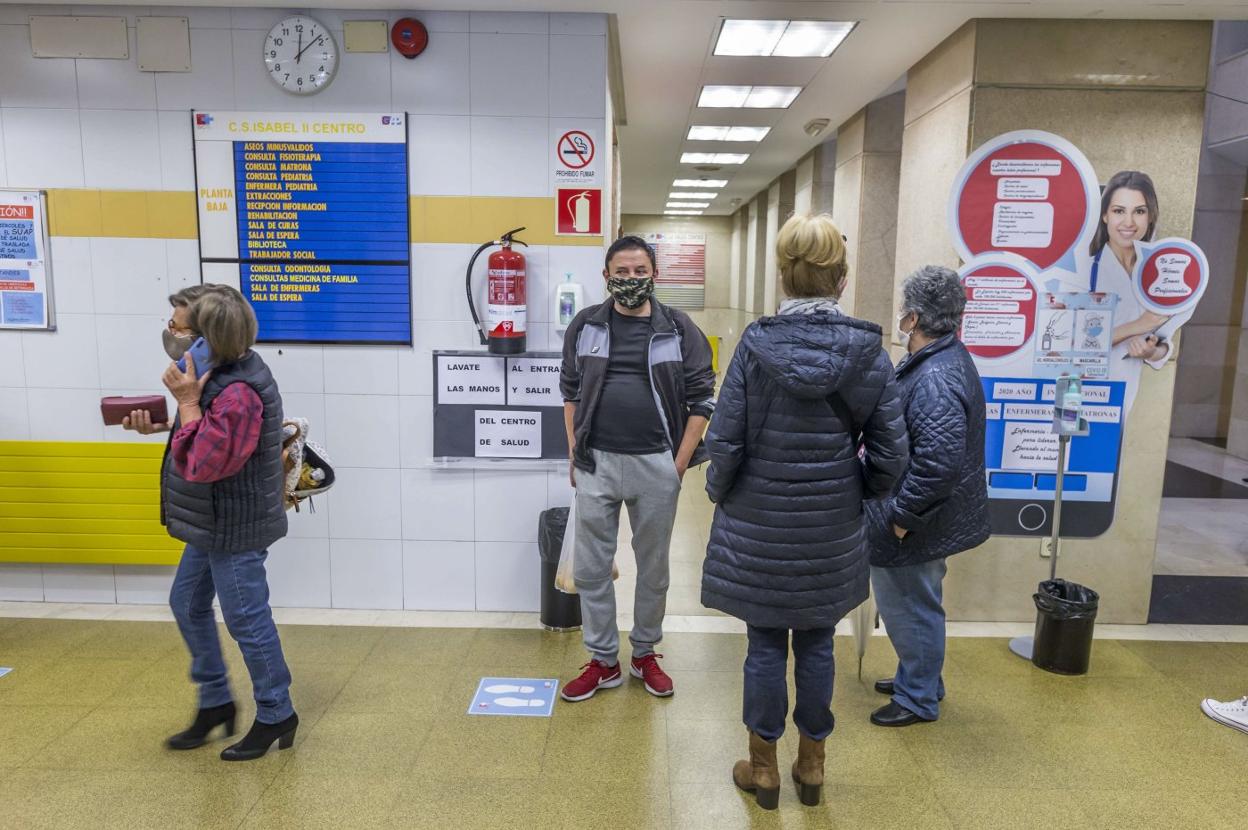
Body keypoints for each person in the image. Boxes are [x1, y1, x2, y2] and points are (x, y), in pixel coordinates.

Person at [701, 214, 907, 809]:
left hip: (757, 524)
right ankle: (812, 765)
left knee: (764, 644)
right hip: (831, 529)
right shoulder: (870, 354)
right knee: (819, 643)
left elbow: (728, 441)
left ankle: (762, 768)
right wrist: (855, 489)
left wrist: (722, 491)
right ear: (840, 279)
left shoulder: (754, 347)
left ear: (784, 278)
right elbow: (893, 456)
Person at [124, 284, 297, 761]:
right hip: (213, 520)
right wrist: (165, 422)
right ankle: (215, 702)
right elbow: (208, 437)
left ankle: (276, 711)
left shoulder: (238, 390)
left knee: (246, 619)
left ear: (207, 336)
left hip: (234, 526)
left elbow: (206, 464)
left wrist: (186, 405)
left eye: (179, 327)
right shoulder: (213, 373)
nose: (172, 335)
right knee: (187, 603)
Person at [558, 235, 716, 702]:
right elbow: (570, 393)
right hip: (596, 461)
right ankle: (604, 660)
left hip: (655, 465)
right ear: (605, 277)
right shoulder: (586, 325)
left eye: (640, 271)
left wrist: (679, 463)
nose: (631, 280)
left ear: (654, 274)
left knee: (653, 569)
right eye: (621, 273)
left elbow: (702, 398)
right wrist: (574, 453)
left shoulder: (678, 328)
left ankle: (645, 654)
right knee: (590, 569)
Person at [864, 265, 990, 728]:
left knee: (910, 606)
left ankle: (917, 697)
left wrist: (901, 517)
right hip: (933, 515)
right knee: (920, 598)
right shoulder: (944, 357)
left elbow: (937, 463)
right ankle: (920, 677)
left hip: (918, 518)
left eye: (904, 310)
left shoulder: (936, 376)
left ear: (912, 318)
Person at [1084, 171, 1194, 413]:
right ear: (1104, 215)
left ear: (1150, 216)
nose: (1129, 222)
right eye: (1119, 211)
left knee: (1111, 449)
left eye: (1139, 211)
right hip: (1077, 391)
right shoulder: (1082, 270)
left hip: (1124, 392)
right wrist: (1139, 325)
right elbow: (1070, 346)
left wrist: (1152, 351)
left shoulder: (1162, 275)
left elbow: (1163, 343)